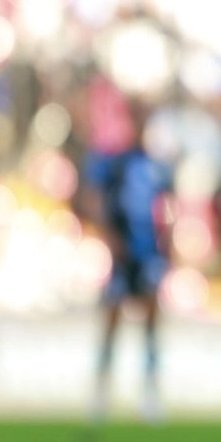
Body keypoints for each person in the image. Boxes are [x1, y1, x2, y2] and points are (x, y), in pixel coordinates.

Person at [79, 94, 175, 423]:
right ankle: (100, 395)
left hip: (148, 251)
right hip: (122, 251)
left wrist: (168, 245)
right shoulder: (112, 161)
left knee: (150, 323)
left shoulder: (157, 164)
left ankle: (150, 395)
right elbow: (94, 200)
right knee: (111, 322)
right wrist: (109, 237)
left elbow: (167, 208)